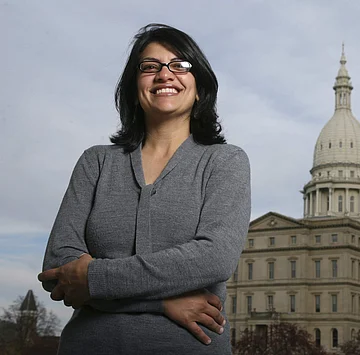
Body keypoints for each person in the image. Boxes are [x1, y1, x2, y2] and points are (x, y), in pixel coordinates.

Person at [38, 23, 251, 355]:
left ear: (199, 89)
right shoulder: (95, 162)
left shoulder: (225, 161)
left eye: (180, 65)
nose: (165, 75)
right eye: (150, 67)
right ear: (133, 88)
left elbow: (213, 259)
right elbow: (58, 270)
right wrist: (163, 303)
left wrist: (93, 279)